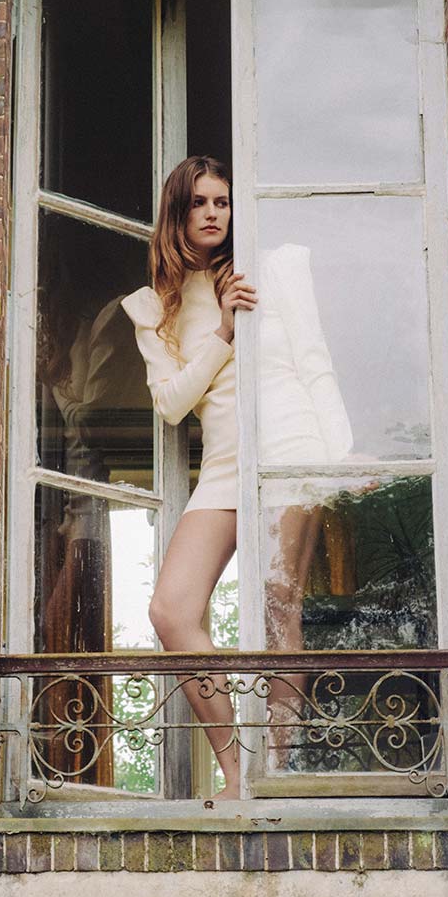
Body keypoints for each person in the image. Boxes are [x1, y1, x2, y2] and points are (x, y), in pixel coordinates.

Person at [120, 156, 252, 800]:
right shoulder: (153, 306)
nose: (212, 214)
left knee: (282, 615)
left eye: (222, 203)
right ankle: (239, 772)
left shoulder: (250, 273)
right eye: (199, 202)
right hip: (223, 462)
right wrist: (223, 333)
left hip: (277, 450)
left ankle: (279, 774)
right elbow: (171, 403)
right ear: (178, 212)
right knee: (171, 610)